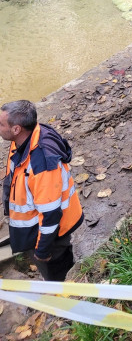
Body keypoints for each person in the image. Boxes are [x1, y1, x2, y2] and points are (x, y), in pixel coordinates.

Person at [0, 100, 83, 280]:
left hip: (52, 236)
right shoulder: (27, 137)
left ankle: (64, 292)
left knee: (56, 274)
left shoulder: (42, 164)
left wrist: (43, 250)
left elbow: (51, 214)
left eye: (1, 124)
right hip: (35, 224)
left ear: (16, 129)